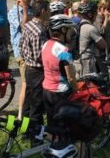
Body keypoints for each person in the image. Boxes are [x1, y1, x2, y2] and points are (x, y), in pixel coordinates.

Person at [42, 14, 77, 149]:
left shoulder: (46, 45)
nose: (70, 32)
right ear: (63, 30)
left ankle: (52, 147)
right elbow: (70, 77)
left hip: (47, 90)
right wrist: (75, 89)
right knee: (64, 126)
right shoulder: (64, 51)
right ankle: (63, 149)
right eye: (69, 29)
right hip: (61, 93)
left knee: (52, 123)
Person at [19, 0, 50, 127]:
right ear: (43, 11)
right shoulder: (39, 31)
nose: (50, 12)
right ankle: (35, 137)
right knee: (37, 105)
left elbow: (21, 46)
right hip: (37, 71)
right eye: (49, 10)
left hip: (29, 68)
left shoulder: (28, 25)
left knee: (27, 102)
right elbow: (40, 56)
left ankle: (25, 130)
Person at [8, 0, 33, 120]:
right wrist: (24, 9)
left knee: (31, 81)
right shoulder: (13, 12)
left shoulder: (30, 9)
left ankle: (30, 110)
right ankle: (20, 114)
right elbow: (23, 26)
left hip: (31, 50)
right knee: (25, 83)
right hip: (22, 52)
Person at [78, 2, 106, 75]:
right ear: (90, 14)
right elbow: (103, 45)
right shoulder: (90, 28)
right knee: (90, 84)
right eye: (95, 13)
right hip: (88, 61)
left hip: (79, 60)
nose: (96, 15)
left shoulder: (79, 25)